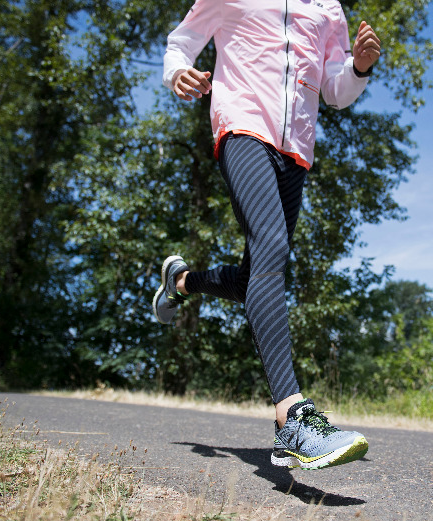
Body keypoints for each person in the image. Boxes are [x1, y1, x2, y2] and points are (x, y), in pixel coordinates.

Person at [154, 0, 381, 470]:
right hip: (241, 125)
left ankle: (180, 281)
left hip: (296, 149)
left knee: (253, 276)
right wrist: (177, 72)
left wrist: (359, 67)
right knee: (272, 250)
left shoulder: (327, 9)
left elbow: (335, 90)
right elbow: (182, 42)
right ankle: (292, 417)